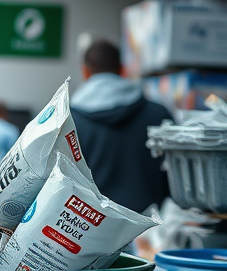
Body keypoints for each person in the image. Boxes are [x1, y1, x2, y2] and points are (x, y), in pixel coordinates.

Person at [70, 38, 170, 212]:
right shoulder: (159, 114)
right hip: (152, 224)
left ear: (85, 71)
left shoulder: (68, 121)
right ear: (122, 69)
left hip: (92, 224)